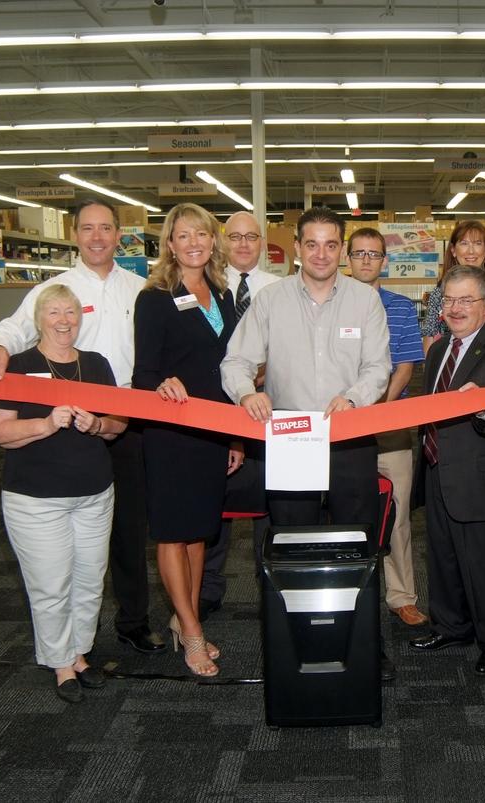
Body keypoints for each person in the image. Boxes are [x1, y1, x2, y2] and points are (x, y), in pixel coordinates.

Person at [0, 199, 163, 655]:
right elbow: (14, 329)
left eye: (105, 228)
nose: (97, 237)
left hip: (124, 419)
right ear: (75, 235)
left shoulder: (141, 289)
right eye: (87, 228)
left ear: (119, 235)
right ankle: (74, 639)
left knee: (128, 530)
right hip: (65, 426)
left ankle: (133, 621)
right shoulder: (54, 288)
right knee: (74, 538)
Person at [220, 206, 391, 676]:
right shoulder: (271, 300)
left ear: (342, 250)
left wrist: (354, 397)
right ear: (296, 248)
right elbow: (235, 361)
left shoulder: (364, 301)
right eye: (311, 244)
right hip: (291, 440)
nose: (321, 253)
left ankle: (365, 639)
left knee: (358, 544)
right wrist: (247, 393)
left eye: (331, 245)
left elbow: (379, 367)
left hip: (349, 438)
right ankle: (296, 639)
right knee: (293, 545)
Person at [0, 284, 127, 703]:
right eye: (54, 312)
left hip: (94, 494)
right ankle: (60, 662)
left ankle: (79, 653)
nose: (64, 321)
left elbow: (118, 423)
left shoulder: (96, 364)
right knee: (51, 584)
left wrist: (97, 424)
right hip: (36, 499)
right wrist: (45, 424)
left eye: (70, 312)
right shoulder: (18, 366)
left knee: (89, 580)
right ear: (38, 319)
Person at [133, 202, 240, 678]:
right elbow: (143, 372)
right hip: (172, 431)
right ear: (170, 245)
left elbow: (231, 368)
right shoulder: (155, 297)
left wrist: (236, 436)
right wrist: (161, 383)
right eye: (183, 235)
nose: (193, 242)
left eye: (201, 234)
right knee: (174, 531)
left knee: (199, 531)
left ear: (213, 241)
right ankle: (193, 633)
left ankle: (186, 617)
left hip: (213, 430)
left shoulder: (222, 294)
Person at [409, 265, 485, 676]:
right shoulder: (437, 350)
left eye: (466, 300)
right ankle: (451, 626)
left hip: (483, 479)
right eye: (449, 300)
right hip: (437, 469)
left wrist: (482, 406)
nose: (456, 308)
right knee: (442, 558)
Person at [199, 211, 280, 618]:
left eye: (252, 237)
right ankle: (207, 587)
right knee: (215, 500)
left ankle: (271, 586)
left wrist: (259, 375)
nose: (244, 244)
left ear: (262, 242)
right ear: (222, 242)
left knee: (272, 498)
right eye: (235, 237)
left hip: (269, 406)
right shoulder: (207, 288)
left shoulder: (280, 289)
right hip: (219, 407)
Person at [347, 226, 428, 628]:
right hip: (343, 427)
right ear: (347, 259)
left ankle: (401, 596)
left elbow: (406, 365)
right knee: (345, 512)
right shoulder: (334, 305)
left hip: (389, 424)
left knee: (397, 513)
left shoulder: (400, 307)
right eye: (359, 253)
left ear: (384, 260)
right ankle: (347, 591)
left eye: (373, 254)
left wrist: (380, 409)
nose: (366, 260)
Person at [420, 220, 485, 352]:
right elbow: (430, 336)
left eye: (477, 243)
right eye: (464, 243)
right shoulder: (439, 293)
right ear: (453, 250)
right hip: (450, 362)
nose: (471, 251)